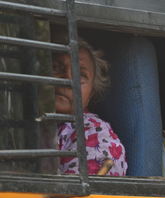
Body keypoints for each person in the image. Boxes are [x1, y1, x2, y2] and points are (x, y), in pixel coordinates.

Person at [53, 39, 127, 176]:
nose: (66, 80)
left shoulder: (95, 135)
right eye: (56, 68)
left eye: (81, 75)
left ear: (91, 93)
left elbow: (75, 194)